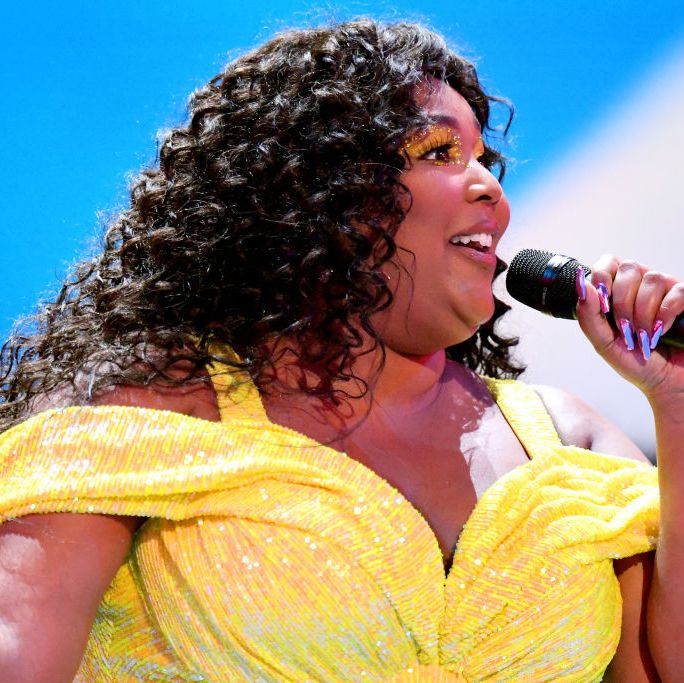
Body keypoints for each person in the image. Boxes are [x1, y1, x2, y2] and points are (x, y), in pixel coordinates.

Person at [0, 18, 681, 683]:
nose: (490, 189)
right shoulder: (147, 415)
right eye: (439, 152)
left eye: (483, 159)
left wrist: (676, 402)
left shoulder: (567, 443)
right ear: (317, 193)